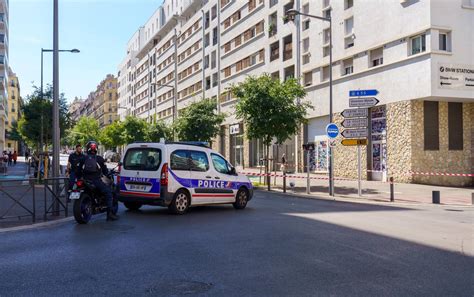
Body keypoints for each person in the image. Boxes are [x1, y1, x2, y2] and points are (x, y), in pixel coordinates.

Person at [77, 141, 118, 221]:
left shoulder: (83, 158)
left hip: (84, 180)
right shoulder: (99, 159)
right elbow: (105, 171)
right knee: (108, 193)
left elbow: (78, 170)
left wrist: (80, 177)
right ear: (96, 149)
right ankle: (109, 215)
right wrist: (107, 174)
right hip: (96, 181)